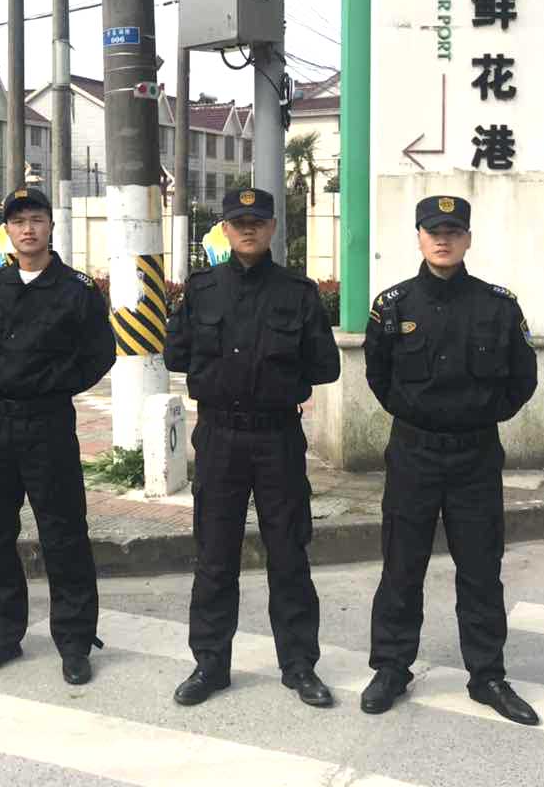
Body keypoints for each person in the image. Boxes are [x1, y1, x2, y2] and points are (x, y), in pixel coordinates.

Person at [359, 195, 540, 725]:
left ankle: (487, 676)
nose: (443, 240)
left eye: (453, 232)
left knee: (481, 570)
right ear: (419, 237)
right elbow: (378, 375)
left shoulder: (497, 306)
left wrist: (477, 415)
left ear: (468, 239)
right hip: (413, 453)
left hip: (475, 455)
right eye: (434, 231)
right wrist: (419, 414)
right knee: (402, 565)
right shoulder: (393, 305)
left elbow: (522, 379)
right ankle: (391, 668)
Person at [164, 186, 341, 708]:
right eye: (238, 221)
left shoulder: (298, 293)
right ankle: (210, 664)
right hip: (219, 436)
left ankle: (300, 665)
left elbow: (325, 365)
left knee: (289, 553)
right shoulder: (201, 290)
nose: (248, 229)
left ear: (272, 228)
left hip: (276, 437)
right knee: (214, 555)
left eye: (257, 221)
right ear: (224, 228)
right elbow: (176, 354)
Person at [0, 187, 116, 685]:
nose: (27, 229)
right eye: (17, 221)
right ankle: (2, 636)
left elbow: (100, 354)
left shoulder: (77, 289)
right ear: (6, 230)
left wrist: (54, 384)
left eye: (36, 219)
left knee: (63, 533)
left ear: (51, 226)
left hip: (49, 423)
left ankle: (74, 642)